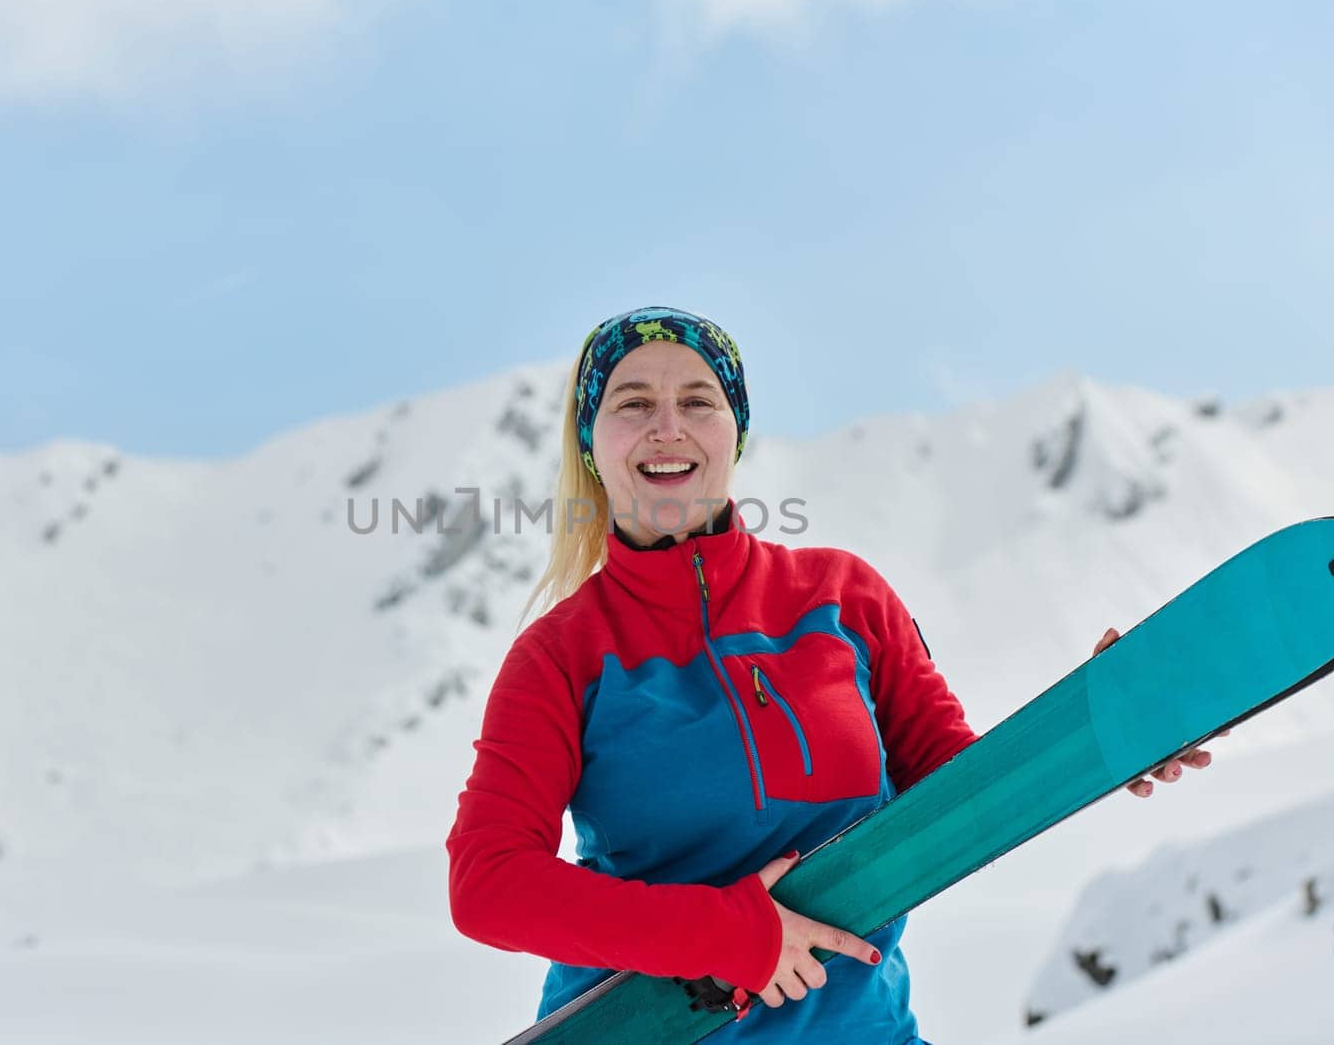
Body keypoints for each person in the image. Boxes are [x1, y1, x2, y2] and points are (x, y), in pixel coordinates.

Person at [445, 306, 1215, 1041]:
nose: (667, 426)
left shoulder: (843, 597)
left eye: (697, 399)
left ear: (735, 431)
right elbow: (488, 882)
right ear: (591, 442)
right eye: (633, 401)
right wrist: (722, 934)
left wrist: (1099, 729)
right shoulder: (561, 654)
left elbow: (963, 790)